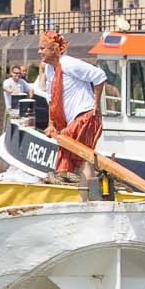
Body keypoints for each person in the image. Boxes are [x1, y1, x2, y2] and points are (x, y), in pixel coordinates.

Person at [37, 29, 107, 181]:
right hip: (73, 119)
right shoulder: (50, 69)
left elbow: (99, 76)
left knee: (71, 146)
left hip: (85, 115)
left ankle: (82, 190)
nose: (39, 51)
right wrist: (51, 124)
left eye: (42, 48)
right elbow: (51, 99)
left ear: (54, 49)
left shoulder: (69, 64)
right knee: (82, 157)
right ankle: (86, 192)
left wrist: (96, 102)